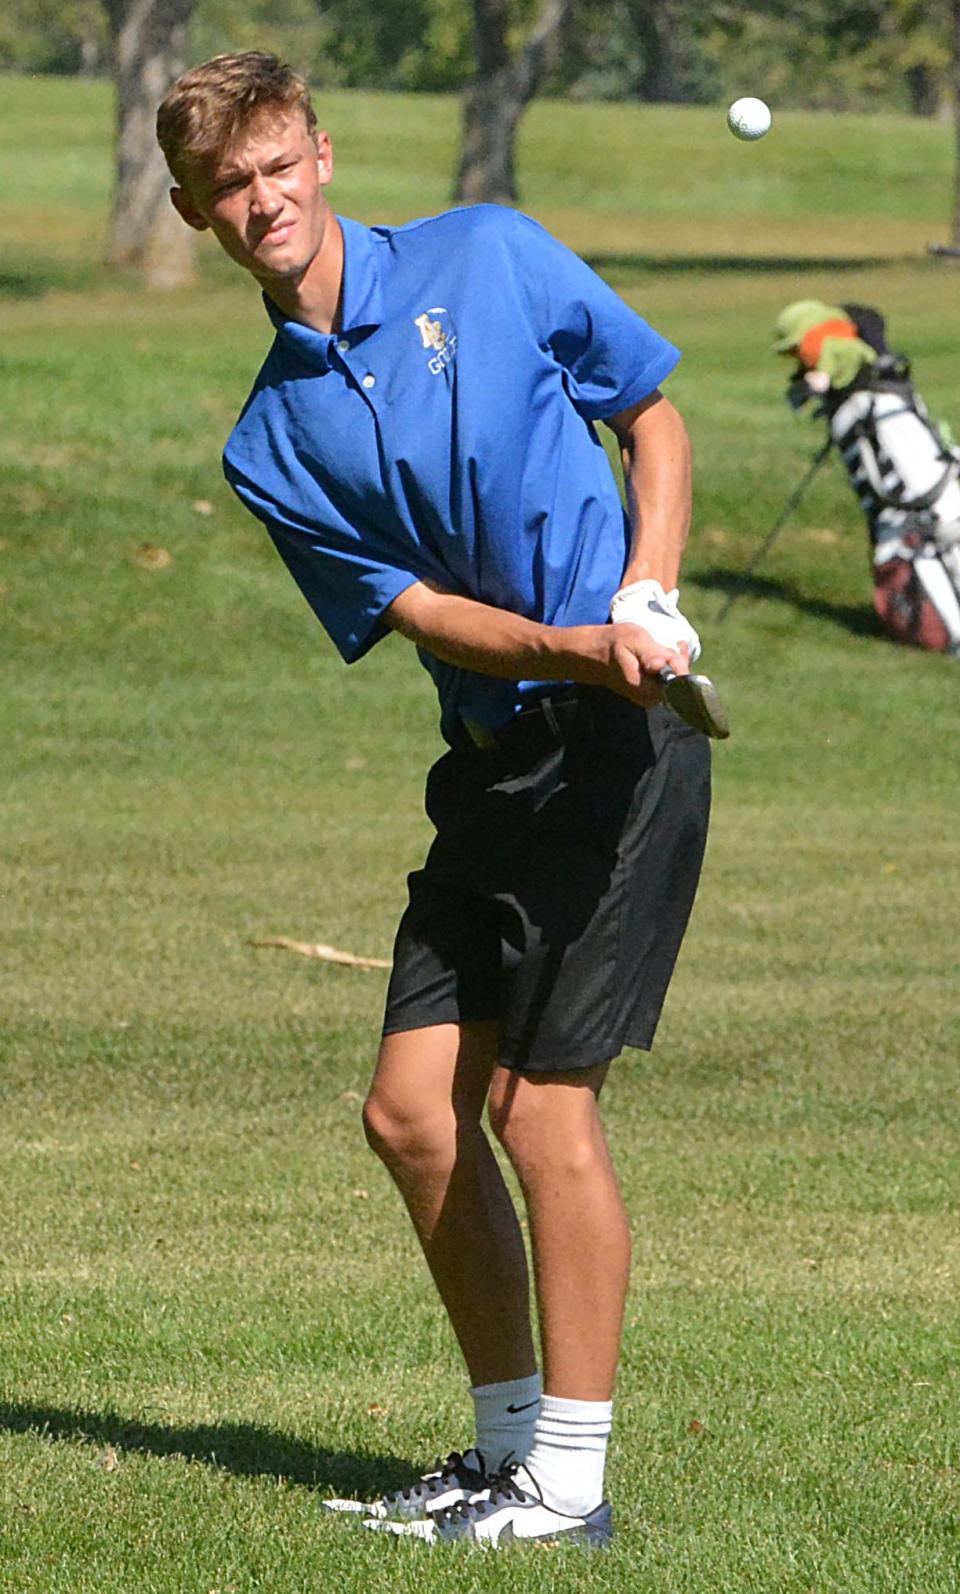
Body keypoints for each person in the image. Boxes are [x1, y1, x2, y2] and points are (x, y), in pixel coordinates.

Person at [157, 51, 711, 1549]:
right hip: (502, 752)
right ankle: (508, 1452)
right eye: (228, 186)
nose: (262, 200)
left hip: (628, 752)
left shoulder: (489, 251)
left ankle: (572, 1490)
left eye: (278, 166)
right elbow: (423, 615)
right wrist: (574, 649)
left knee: (541, 1110)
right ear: (197, 212)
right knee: (413, 1114)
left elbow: (651, 411)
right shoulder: (269, 441)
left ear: (321, 156)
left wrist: (643, 593)